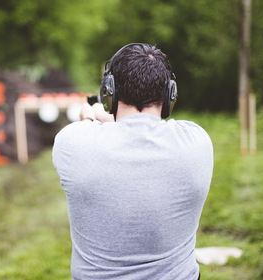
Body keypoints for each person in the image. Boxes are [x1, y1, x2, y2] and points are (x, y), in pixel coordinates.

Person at [52, 43, 214, 280]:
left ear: (110, 92)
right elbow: (145, 129)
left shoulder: (71, 142)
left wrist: (90, 116)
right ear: (170, 94)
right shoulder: (197, 141)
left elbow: (97, 132)